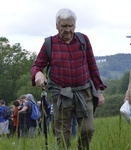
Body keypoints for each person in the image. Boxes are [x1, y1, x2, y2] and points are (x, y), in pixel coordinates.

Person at [31, 8, 106, 150]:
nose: (67, 30)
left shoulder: (83, 40)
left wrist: (99, 90)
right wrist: (38, 74)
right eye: (64, 26)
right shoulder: (50, 43)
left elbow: (92, 65)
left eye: (70, 26)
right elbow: (37, 65)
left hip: (85, 93)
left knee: (87, 129)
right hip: (60, 95)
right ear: (57, 26)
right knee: (62, 134)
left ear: (75, 26)